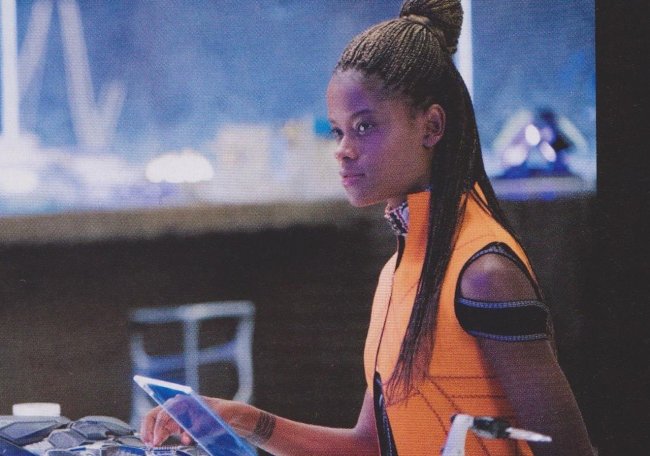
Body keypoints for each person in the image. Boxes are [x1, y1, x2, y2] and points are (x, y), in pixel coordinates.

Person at [140, 0, 595, 454]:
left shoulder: (484, 274)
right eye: (338, 131)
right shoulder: (397, 273)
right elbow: (370, 446)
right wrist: (242, 419)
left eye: (364, 127)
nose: (343, 150)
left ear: (432, 126)